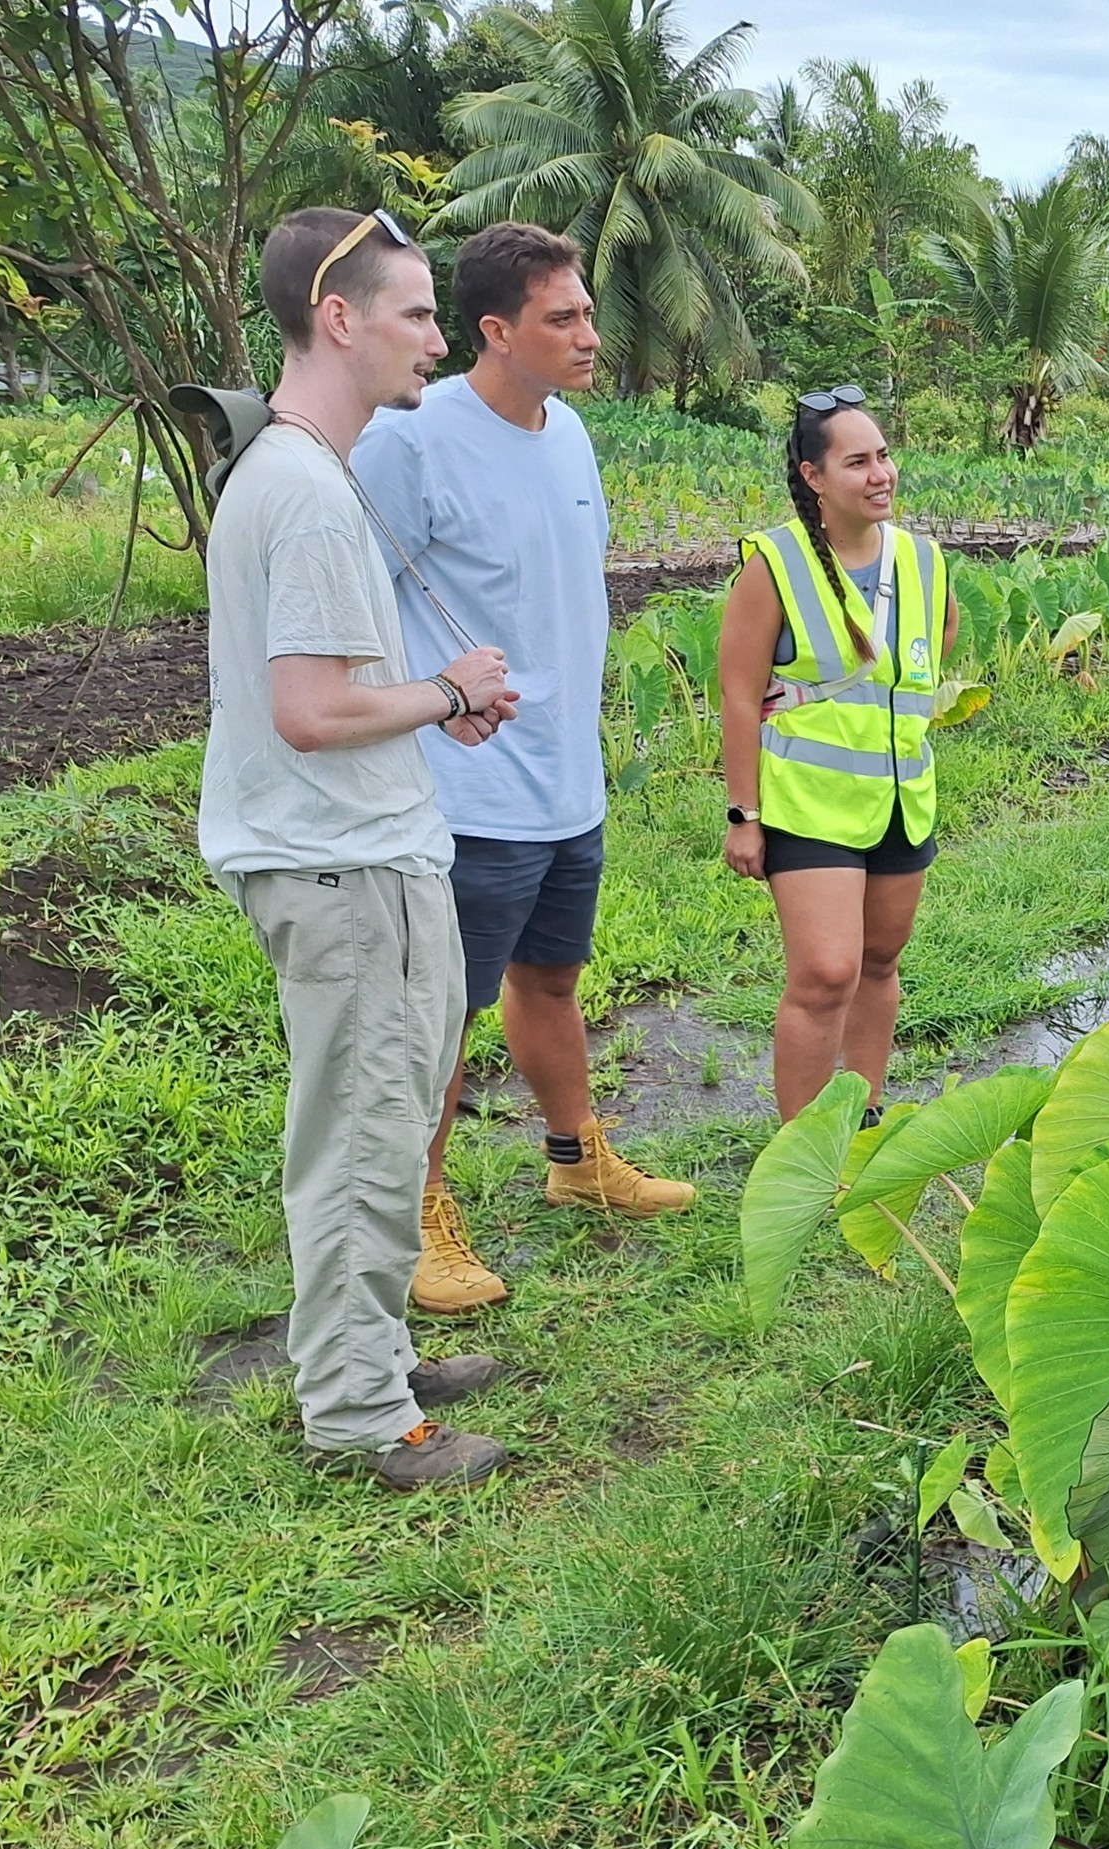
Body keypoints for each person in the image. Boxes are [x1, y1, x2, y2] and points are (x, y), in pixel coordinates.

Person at [196, 207, 518, 1490]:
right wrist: (447, 692)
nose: (436, 340)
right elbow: (314, 710)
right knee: (364, 1139)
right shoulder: (310, 495)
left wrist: (436, 697)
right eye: (418, 314)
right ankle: (359, 1414)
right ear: (340, 319)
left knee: (373, 1124)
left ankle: (368, 1350)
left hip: (354, 854)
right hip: (342, 863)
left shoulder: (298, 469)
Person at [357, 221, 696, 1319]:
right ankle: (415, 1209)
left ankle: (575, 1156)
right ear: (495, 331)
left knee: (550, 978)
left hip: (565, 776)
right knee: (442, 1009)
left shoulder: (570, 433)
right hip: (466, 784)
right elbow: (350, 600)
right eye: (564, 318)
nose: (589, 334)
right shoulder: (410, 440)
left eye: (587, 312)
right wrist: (429, 699)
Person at [716, 387, 958, 1119]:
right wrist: (742, 814)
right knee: (826, 973)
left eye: (883, 455)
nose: (880, 473)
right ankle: (802, 1147)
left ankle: (864, 1113)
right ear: (813, 476)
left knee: (879, 964)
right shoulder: (774, 563)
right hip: (807, 805)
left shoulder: (923, 560)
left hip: (899, 802)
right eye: (857, 462)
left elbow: (933, 647)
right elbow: (736, 693)